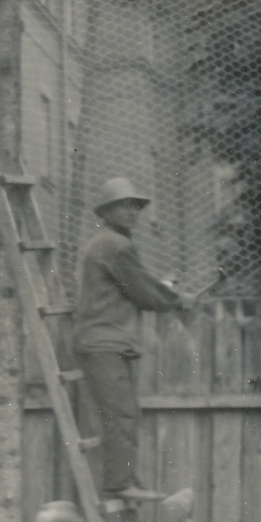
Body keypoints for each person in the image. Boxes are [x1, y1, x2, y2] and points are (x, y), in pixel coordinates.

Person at [73, 177, 197, 503]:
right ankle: (118, 485)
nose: (132, 213)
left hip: (108, 342)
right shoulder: (115, 245)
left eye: (136, 207)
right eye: (123, 206)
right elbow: (143, 290)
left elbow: (137, 283)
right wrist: (177, 298)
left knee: (125, 413)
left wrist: (165, 289)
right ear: (107, 211)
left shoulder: (109, 244)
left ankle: (124, 478)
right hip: (105, 342)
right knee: (120, 414)